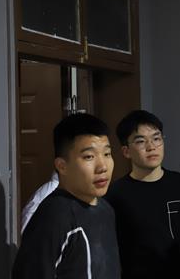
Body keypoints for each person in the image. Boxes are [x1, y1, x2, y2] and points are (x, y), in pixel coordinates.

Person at [12, 113, 120, 279]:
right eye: (89, 157)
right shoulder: (54, 215)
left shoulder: (106, 210)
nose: (102, 167)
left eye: (107, 154)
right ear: (62, 166)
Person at [104, 110, 180, 279]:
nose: (151, 147)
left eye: (156, 139)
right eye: (140, 141)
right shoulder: (115, 195)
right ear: (126, 151)